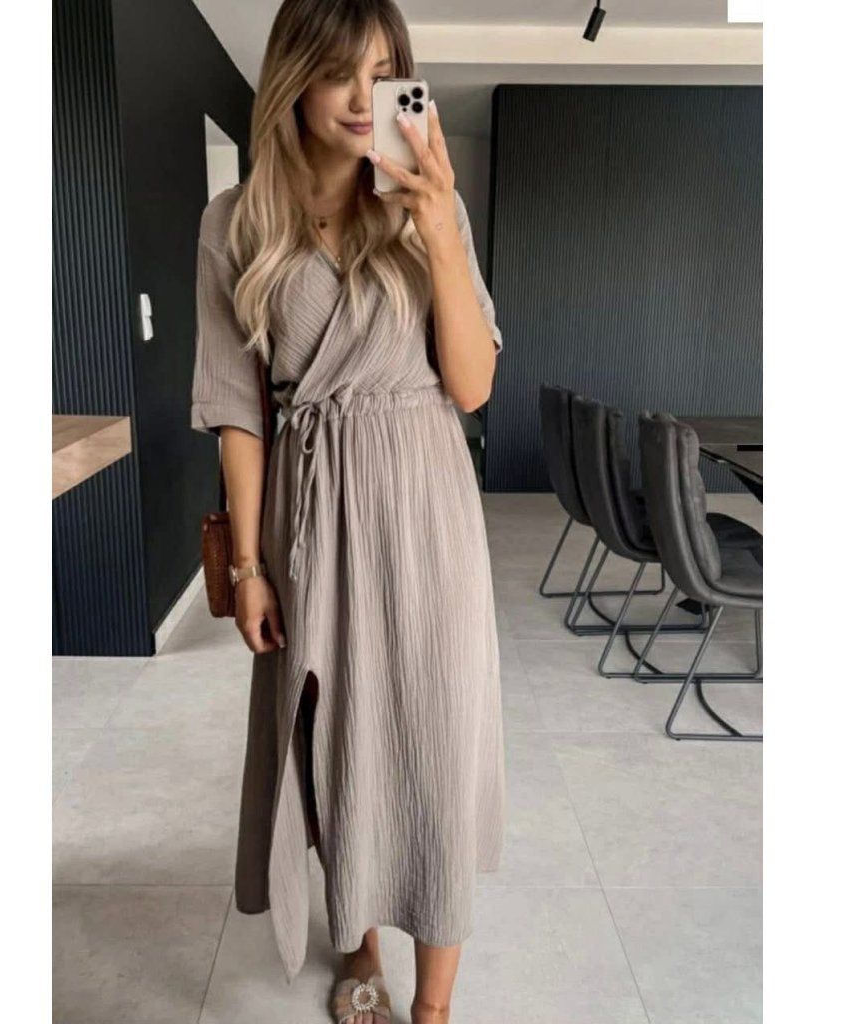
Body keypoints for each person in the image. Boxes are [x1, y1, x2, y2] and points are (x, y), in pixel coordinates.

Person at [190, 2, 505, 1021]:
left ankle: (433, 1007)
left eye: (385, 71)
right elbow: (238, 411)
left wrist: (439, 230)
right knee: (331, 743)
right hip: (310, 515)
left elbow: (472, 387)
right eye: (341, 73)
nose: (367, 98)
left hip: (424, 506)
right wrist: (248, 566)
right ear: (294, 80)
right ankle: (360, 943)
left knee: (435, 744)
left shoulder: (429, 205)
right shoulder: (235, 223)